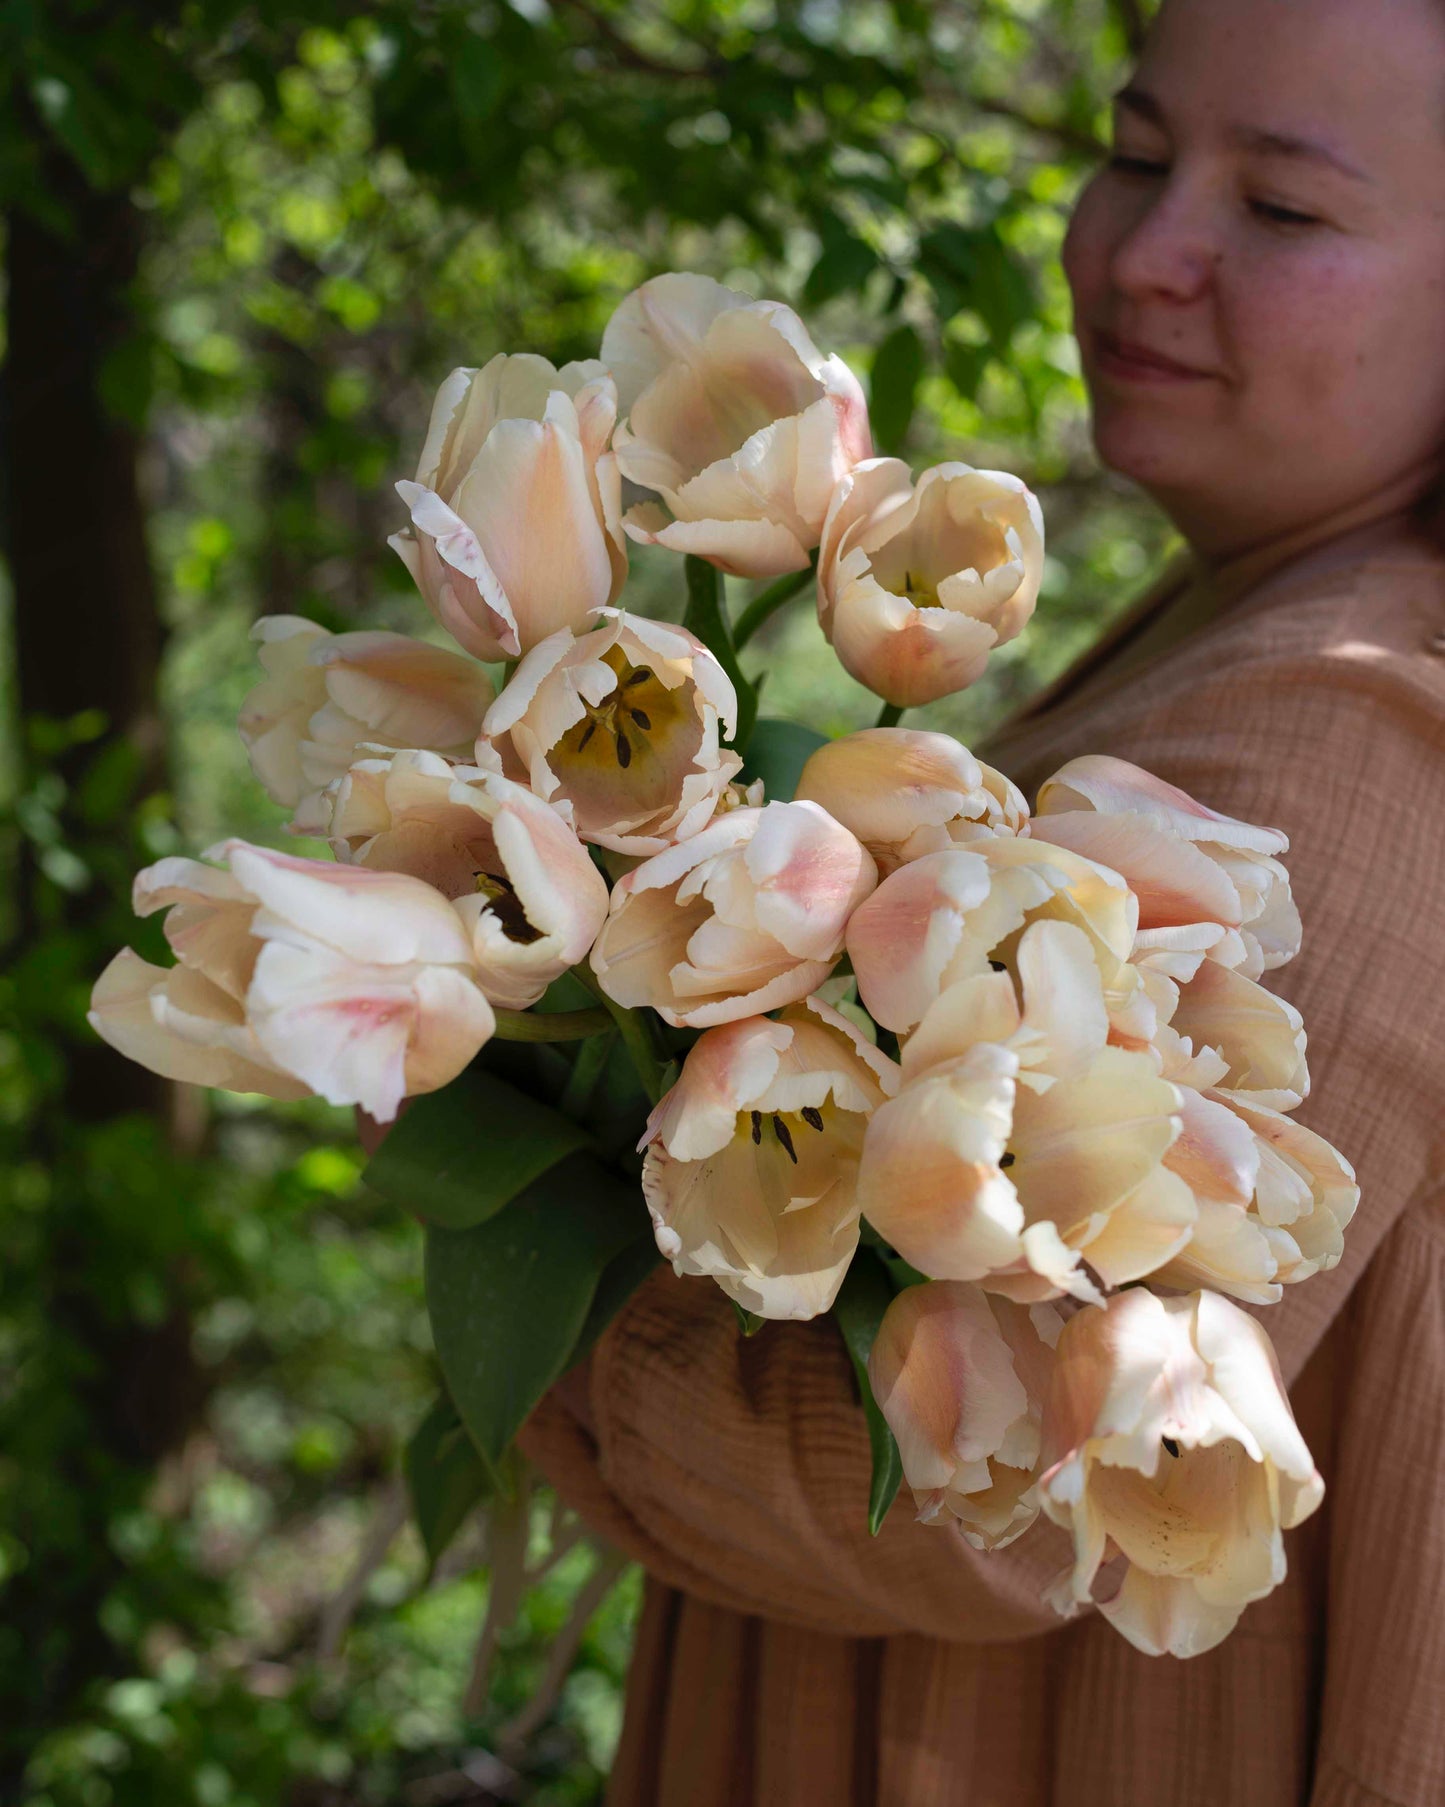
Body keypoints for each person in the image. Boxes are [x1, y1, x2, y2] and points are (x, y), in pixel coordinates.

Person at [519, 0, 1445, 1800]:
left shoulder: (1345, 728)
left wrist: (541, 1267)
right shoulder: (1253, 618)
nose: (1145, 254)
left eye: (1282, 210)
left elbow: (967, 1500)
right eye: (1133, 154)